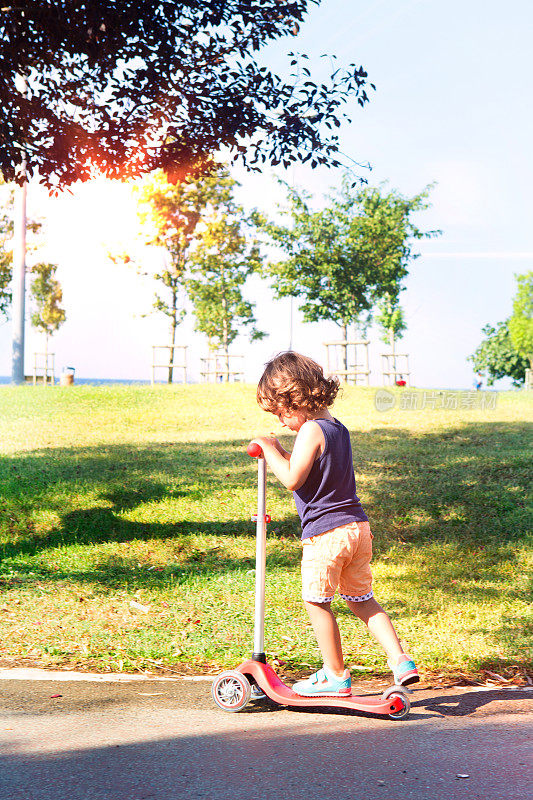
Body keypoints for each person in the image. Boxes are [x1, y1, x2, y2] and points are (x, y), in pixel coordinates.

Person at [251, 351, 419, 697]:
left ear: (294, 399)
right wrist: (283, 450)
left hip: (326, 535)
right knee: (362, 600)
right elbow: (311, 470)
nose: (282, 422)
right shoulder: (336, 428)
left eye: (281, 412)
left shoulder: (310, 430)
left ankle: (335, 674)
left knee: (317, 601)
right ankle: (400, 660)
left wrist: (269, 449)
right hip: (357, 529)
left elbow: (293, 480)